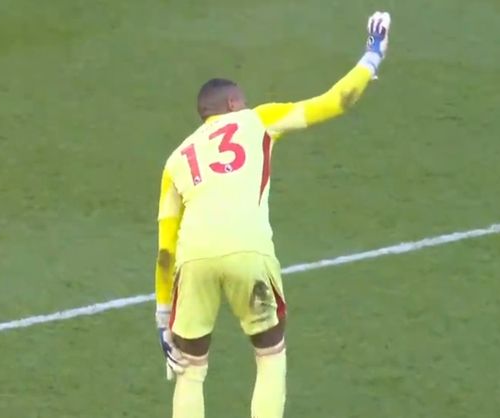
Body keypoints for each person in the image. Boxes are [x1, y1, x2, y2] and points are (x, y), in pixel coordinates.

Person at [154, 11, 392, 418]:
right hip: (249, 251)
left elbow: (164, 251)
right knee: (269, 355)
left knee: (189, 370)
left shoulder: (175, 160)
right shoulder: (257, 120)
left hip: (193, 259)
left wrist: (163, 315)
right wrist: (372, 54)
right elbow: (335, 101)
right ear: (233, 104)